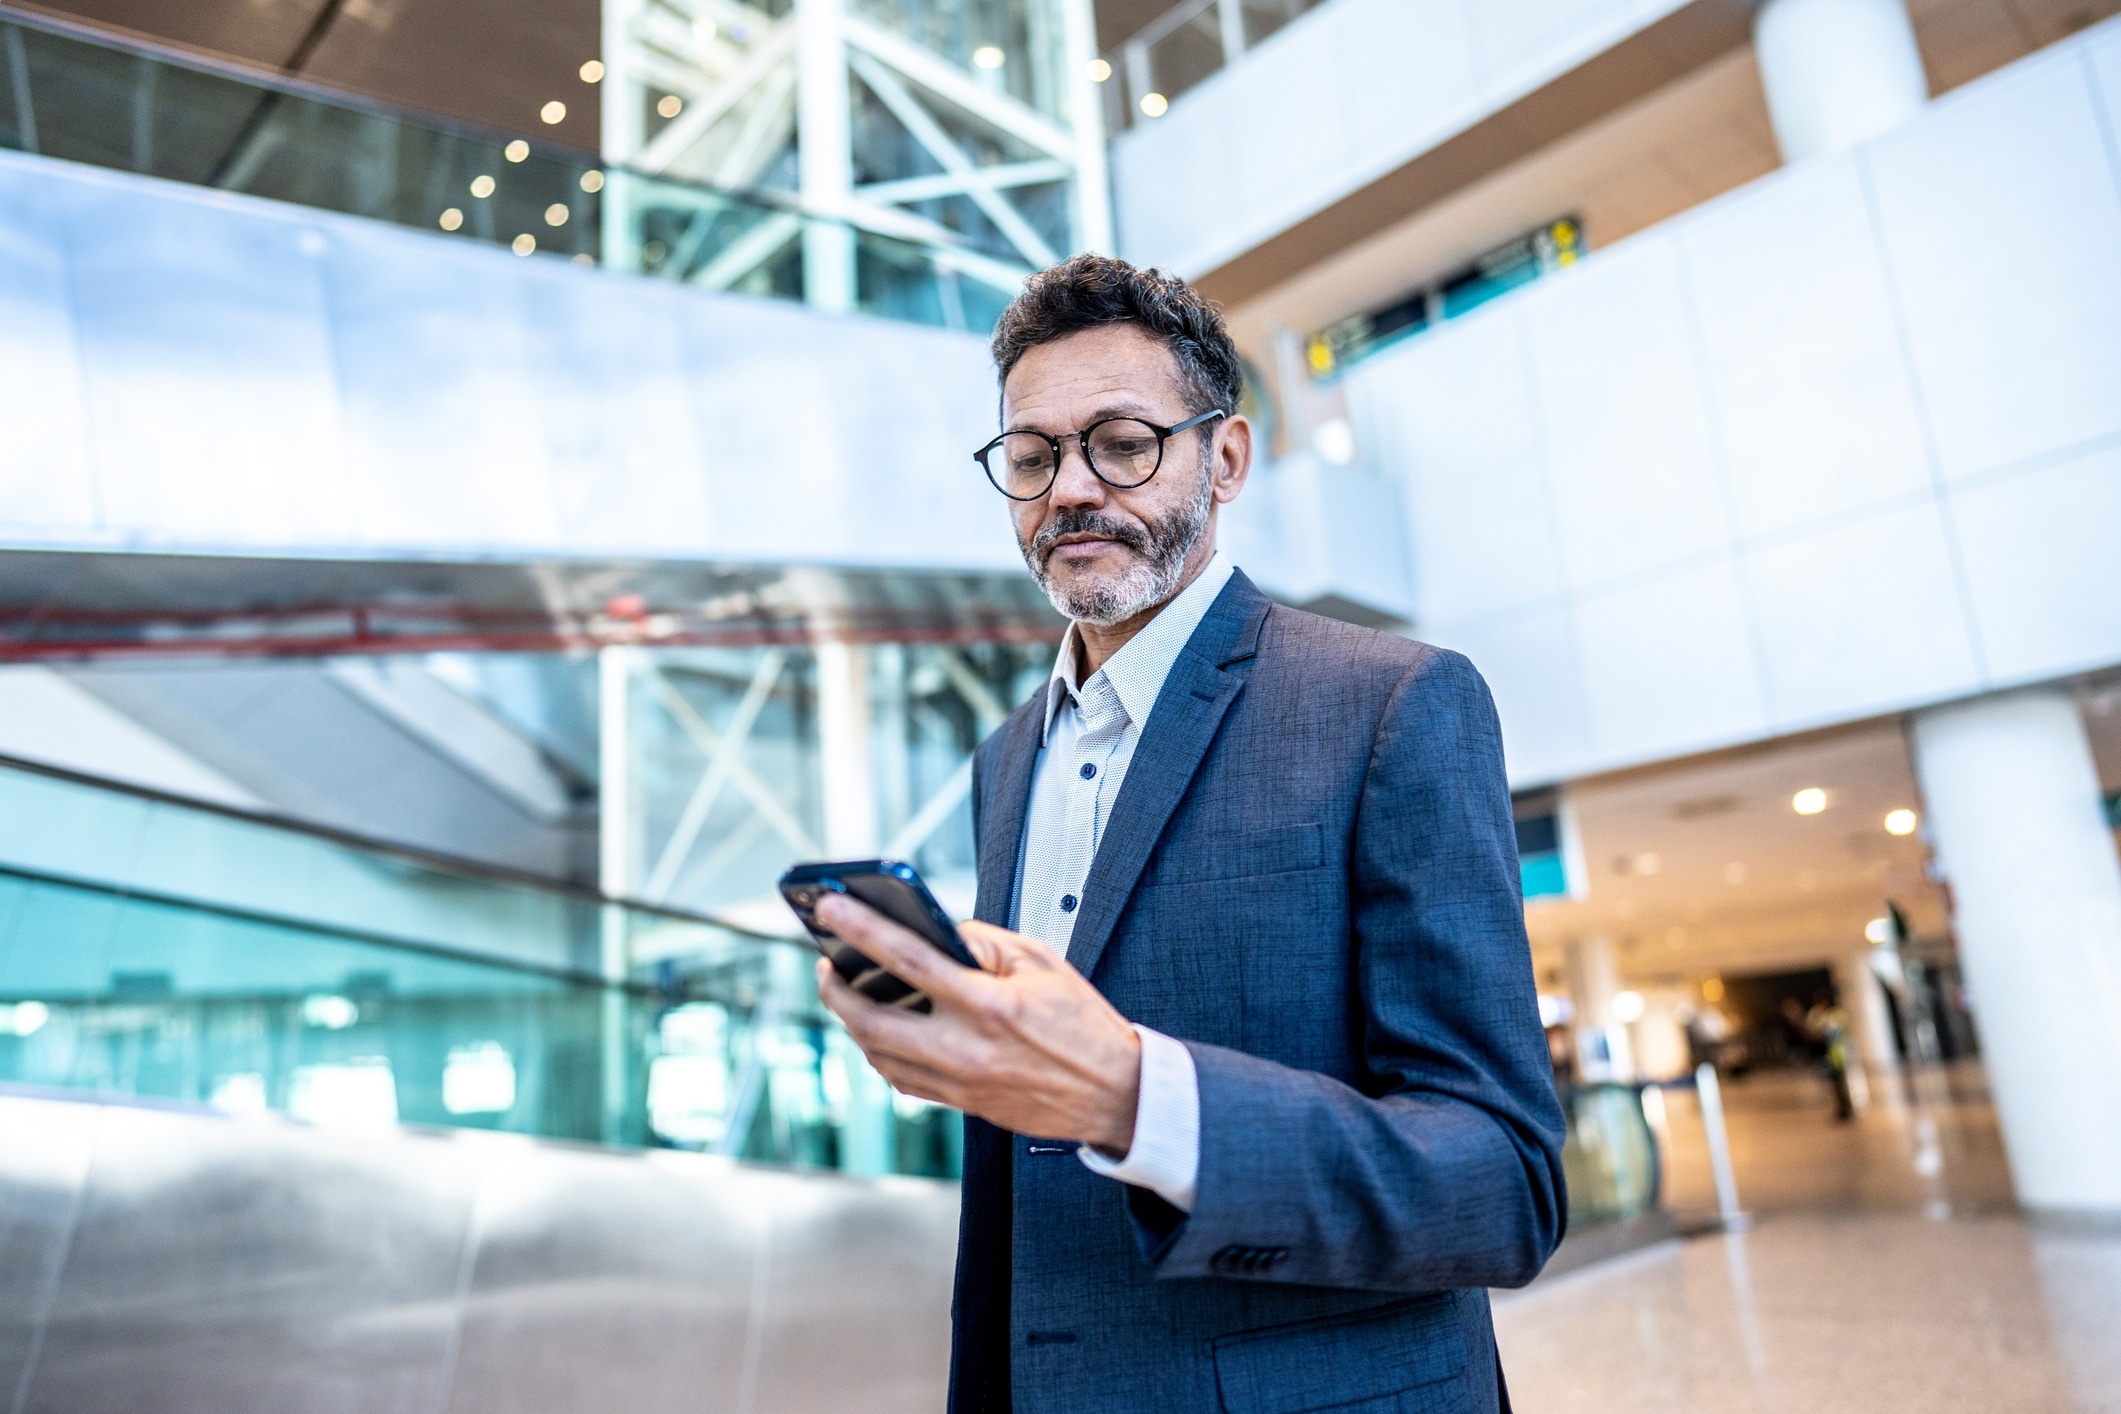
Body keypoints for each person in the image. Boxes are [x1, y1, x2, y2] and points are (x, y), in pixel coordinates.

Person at [812, 254, 1567, 1414]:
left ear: (1224, 458)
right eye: (1033, 455)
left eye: (1122, 442)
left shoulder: (1392, 704)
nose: (1071, 488)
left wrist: (1132, 1094)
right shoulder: (1004, 759)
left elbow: (1504, 1182)